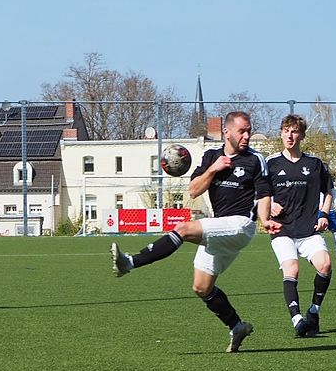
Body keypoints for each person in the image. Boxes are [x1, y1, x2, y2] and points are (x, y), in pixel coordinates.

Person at [110, 111, 267, 352]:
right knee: (202, 287)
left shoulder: (255, 159)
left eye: (249, 131)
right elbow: (194, 190)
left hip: (239, 225)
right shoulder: (211, 156)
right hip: (219, 227)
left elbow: (265, 194)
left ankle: (130, 262)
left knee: (182, 228)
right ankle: (237, 326)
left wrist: (266, 219)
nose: (247, 136)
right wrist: (213, 169)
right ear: (226, 132)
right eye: (242, 131)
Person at [257, 115, 333, 337]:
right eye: (286, 131)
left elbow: (329, 191)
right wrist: (269, 205)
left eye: (295, 131)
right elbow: (258, 195)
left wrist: (324, 214)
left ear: (302, 135)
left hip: (309, 230)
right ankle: (297, 320)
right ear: (281, 133)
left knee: (325, 265)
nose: (290, 135)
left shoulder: (315, 164)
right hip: (282, 229)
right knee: (292, 269)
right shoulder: (270, 164)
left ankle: (314, 311)